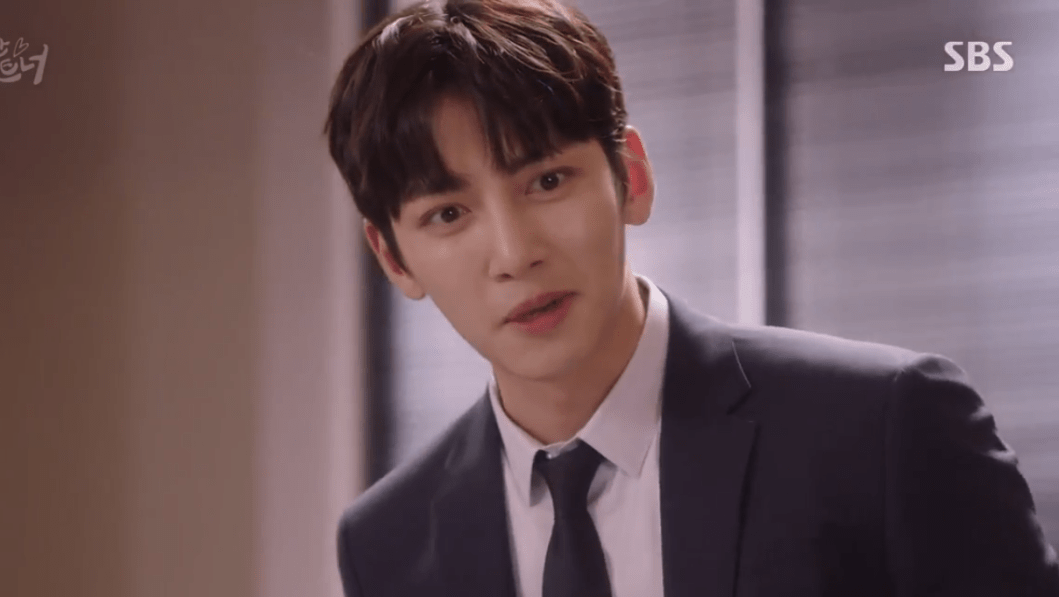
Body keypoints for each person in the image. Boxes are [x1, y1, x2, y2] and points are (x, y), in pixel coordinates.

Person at [322, 1, 1059, 596]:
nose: (515, 255)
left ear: (632, 178)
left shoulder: (882, 426)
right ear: (393, 257)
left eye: (547, 180)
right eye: (449, 214)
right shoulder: (388, 541)